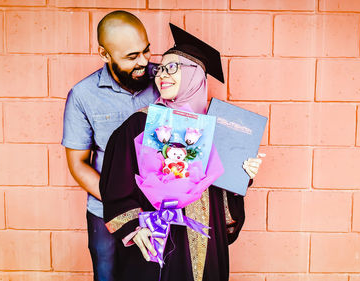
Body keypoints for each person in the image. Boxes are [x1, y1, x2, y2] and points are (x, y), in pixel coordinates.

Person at [99, 24, 263, 281]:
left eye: (172, 67)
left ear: (196, 75)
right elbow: (115, 185)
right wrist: (134, 228)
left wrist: (240, 176)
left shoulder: (217, 129)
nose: (162, 74)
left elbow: (223, 205)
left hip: (204, 242)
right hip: (155, 241)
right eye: (160, 68)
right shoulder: (140, 124)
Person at [61, 11, 159, 281]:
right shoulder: (82, 95)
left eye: (146, 51)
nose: (144, 62)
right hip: (105, 214)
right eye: (131, 56)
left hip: (160, 214)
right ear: (105, 54)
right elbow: (78, 164)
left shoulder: (163, 81)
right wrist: (122, 205)